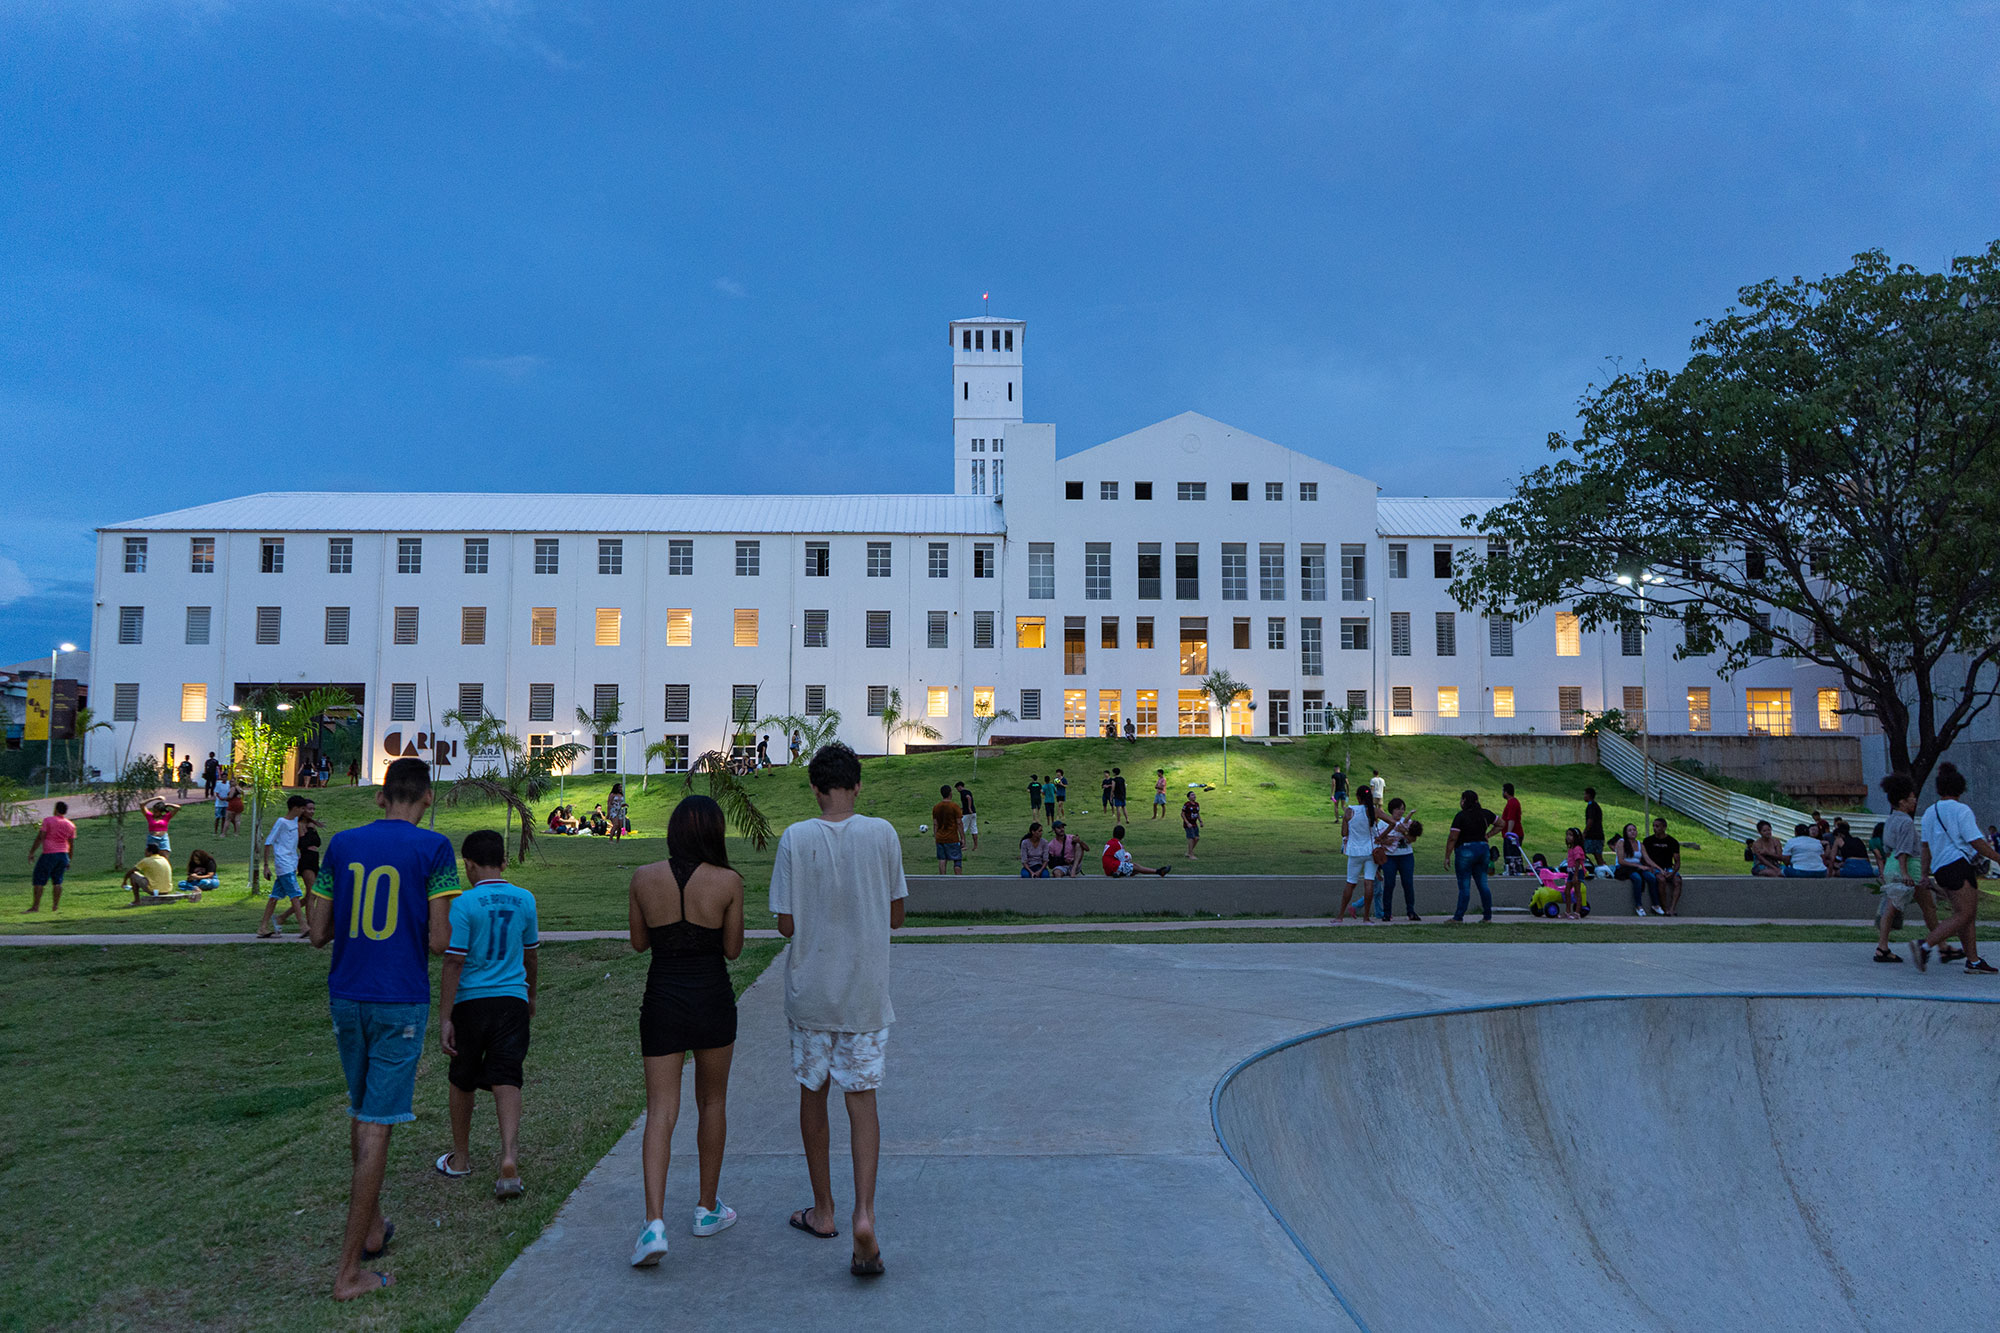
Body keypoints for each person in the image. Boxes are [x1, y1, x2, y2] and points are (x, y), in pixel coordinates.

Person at [306, 757, 462, 1301]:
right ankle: (348, 1272)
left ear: (380, 797)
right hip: (399, 1000)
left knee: (362, 1108)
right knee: (377, 1123)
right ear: (426, 800)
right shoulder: (435, 849)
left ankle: (371, 1230)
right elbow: (442, 941)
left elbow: (317, 931)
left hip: (346, 996)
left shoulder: (343, 844)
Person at [769, 743, 905, 1277]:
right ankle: (863, 1216)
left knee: (813, 1096)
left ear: (815, 789)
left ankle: (823, 1210)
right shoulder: (884, 834)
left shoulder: (795, 839)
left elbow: (785, 924)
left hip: (811, 995)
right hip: (866, 996)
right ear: (858, 785)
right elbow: (896, 915)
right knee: (862, 1101)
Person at [625, 795, 745, 1264]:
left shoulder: (643, 877)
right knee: (712, 1102)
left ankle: (654, 1222)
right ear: (714, 833)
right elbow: (733, 950)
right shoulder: (729, 881)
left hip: (662, 1001)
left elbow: (639, 943)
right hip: (712, 1000)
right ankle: (706, 1209)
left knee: (660, 1111)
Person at [435, 830, 540, 1200]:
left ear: (469, 864)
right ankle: (509, 1156)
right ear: (504, 862)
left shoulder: (463, 904)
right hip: (512, 999)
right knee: (508, 1074)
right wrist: (530, 994)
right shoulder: (525, 899)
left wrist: (445, 1016)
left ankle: (461, 1157)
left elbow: (453, 960)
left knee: (462, 1077)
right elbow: (530, 955)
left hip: (471, 1002)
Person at [1912, 761, 1999, 974]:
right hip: (1959, 865)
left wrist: (1925, 874)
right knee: (1965, 913)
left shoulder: (1930, 812)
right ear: (1961, 789)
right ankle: (1925, 945)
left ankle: (1974, 961)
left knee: (1965, 914)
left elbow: (1925, 847)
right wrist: (1997, 857)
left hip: (1940, 868)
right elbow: (1975, 841)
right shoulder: (1962, 810)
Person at [1874, 774, 1945, 964]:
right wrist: (1905, 872)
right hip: (1907, 868)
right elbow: (1904, 849)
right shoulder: (1906, 821)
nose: (1915, 800)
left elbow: (1890, 848)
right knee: (1922, 907)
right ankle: (1941, 946)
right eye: (1912, 798)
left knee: (1899, 907)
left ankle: (1883, 946)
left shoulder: (1890, 820)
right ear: (1902, 801)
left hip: (1892, 866)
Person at [260, 795, 313, 938]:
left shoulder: (296, 822)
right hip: (283, 864)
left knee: (274, 897)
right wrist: (266, 865)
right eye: (302, 808)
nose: (303, 811)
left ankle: (263, 927)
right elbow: (268, 842)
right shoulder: (281, 822)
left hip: (291, 863)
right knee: (295, 895)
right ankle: (303, 926)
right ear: (295, 808)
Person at [1442, 790, 1497, 923]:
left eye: (1462, 799)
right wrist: (1488, 835)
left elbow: (1452, 838)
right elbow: (1501, 824)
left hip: (1465, 850)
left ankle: (1459, 916)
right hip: (1483, 849)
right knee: (1483, 884)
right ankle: (1487, 916)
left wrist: (1447, 856)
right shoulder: (1485, 814)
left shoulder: (1461, 816)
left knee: (1464, 886)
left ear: (1465, 801)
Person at [1337, 786, 1384, 924]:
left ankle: (1340, 916)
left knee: (1350, 882)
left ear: (1358, 797)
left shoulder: (1350, 811)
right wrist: (1382, 837)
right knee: (1369, 882)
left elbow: (1344, 833)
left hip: (1355, 851)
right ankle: (1366, 917)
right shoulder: (1373, 811)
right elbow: (1392, 822)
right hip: (1371, 850)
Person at [28, 801, 77, 912]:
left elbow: (41, 837)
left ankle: (35, 907)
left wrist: (32, 852)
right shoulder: (70, 825)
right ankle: (55, 906)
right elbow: (71, 844)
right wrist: (69, 859)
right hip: (63, 855)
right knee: (57, 881)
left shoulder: (48, 821)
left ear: (55, 809)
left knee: (39, 880)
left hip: (49, 854)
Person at [1378, 798, 1420, 921]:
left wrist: (1405, 832)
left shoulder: (1407, 822)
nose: (1400, 812)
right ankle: (1387, 913)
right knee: (1389, 884)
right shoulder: (1383, 823)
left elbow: (1413, 839)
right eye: (1398, 809)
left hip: (1406, 855)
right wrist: (1386, 840)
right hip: (1389, 857)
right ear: (1392, 810)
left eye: (1402, 809)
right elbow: (1377, 839)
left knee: (1408, 883)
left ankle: (1411, 911)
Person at [1613, 822, 1666, 914]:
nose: (1632, 832)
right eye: (1630, 830)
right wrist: (1638, 865)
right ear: (1625, 833)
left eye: (1634, 830)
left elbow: (1648, 859)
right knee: (1637, 878)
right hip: (1624, 868)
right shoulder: (1621, 842)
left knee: (1651, 877)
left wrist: (1659, 869)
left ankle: (1656, 904)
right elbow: (1621, 860)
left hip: (1638, 867)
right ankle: (1638, 905)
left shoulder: (1640, 844)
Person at [1641, 817, 1684, 915]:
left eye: (1657, 826)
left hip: (1668, 868)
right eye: (1654, 826)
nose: (1655, 828)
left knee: (1677, 881)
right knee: (1661, 880)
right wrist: (1650, 867)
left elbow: (1677, 861)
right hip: (1655, 868)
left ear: (1664, 827)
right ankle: (1665, 908)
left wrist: (1673, 873)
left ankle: (1672, 908)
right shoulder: (1648, 841)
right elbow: (1644, 858)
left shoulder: (1672, 842)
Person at [1101, 825, 1170, 877]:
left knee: (1136, 869)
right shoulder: (1118, 844)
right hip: (1113, 866)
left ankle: (1158, 871)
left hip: (1107, 868)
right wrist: (1128, 856)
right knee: (1135, 866)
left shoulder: (1109, 842)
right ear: (1123, 835)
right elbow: (1123, 860)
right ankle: (1158, 871)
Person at [930, 785, 964, 876]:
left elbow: (935, 823)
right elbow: (959, 822)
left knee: (942, 859)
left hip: (940, 837)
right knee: (957, 859)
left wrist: (936, 836)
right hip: (952, 838)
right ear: (950, 793)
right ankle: (959, 880)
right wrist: (963, 837)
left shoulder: (936, 807)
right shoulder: (954, 806)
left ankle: (943, 879)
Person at [1497, 783, 1525, 875]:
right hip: (1512, 833)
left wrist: (1509, 833)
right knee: (1509, 853)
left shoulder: (1512, 803)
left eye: (1503, 790)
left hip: (1514, 834)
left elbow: (1511, 819)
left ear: (1506, 792)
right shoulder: (1512, 802)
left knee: (1512, 853)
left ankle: (1513, 870)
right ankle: (1510, 869)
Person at [1581, 787, 1605, 864]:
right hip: (1599, 835)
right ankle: (1605, 870)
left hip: (1592, 835)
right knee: (1598, 856)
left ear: (1589, 795)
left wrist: (1584, 832)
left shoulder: (1591, 806)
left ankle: (1585, 868)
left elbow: (1590, 820)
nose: (1584, 796)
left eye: (1585, 794)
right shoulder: (1595, 805)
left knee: (1581, 852)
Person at [1180, 792, 1203, 859]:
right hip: (1188, 824)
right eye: (1192, 795)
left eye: (1194, 795)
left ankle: (1189, 852)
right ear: (1189, 797)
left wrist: (1200, 821)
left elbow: (1197, 813)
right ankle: (1191, 854)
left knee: (1197, 838)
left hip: (1194, 823)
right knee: (1191, 838)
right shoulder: (1187, 804)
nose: (1194, 796)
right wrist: (1187, 823)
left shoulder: (1197, 804)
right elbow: (1182, 814)